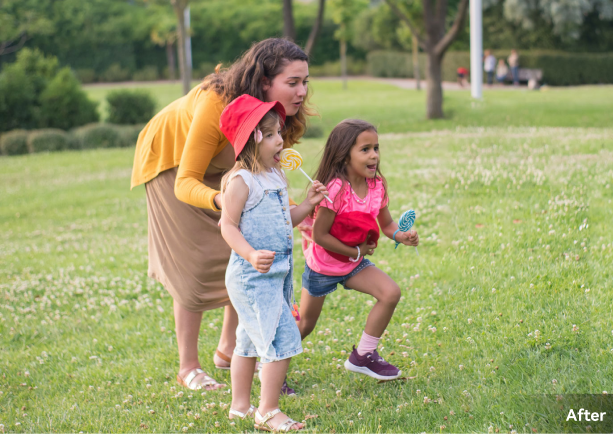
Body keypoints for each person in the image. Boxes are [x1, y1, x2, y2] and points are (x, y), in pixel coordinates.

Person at [130, 38, 315, 392]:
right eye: (292, 83)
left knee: (247, 249)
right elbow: (186, 182)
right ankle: (188, 367)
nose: (302, 91)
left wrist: (294, 211)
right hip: (172, 160)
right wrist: (225, 202)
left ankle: (230, 349)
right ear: (264, 82)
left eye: (305, 81)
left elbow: (268, 173)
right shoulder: (218, 103)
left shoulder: (278, 116)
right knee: (195, 262)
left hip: (229, 166)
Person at [219, 95, 327, 431]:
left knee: (249, 341)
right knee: (281, 338)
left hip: (276, 275)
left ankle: (240, 406)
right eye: (271, 135)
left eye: (279, 133)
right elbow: (227, 225)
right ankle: (267, 410)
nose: (280, 140)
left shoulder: (276, 175)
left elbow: (284, 220)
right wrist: (250, 253)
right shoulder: (242, 181)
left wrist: (308, 204)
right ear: (252, 139)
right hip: (250, 276)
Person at [296, 119, 420, 381]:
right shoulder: (335, 189)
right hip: (324, 265)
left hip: (353, 262)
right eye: (365, 149)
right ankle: (270, 361)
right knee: (305, 324)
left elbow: (385, 224)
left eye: (376, 147)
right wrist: (356, 251)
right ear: (344, 155)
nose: (374, 155)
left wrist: (401, 235)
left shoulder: (377, 185)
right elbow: (319, 235)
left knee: (390, 292)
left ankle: (363, 355)